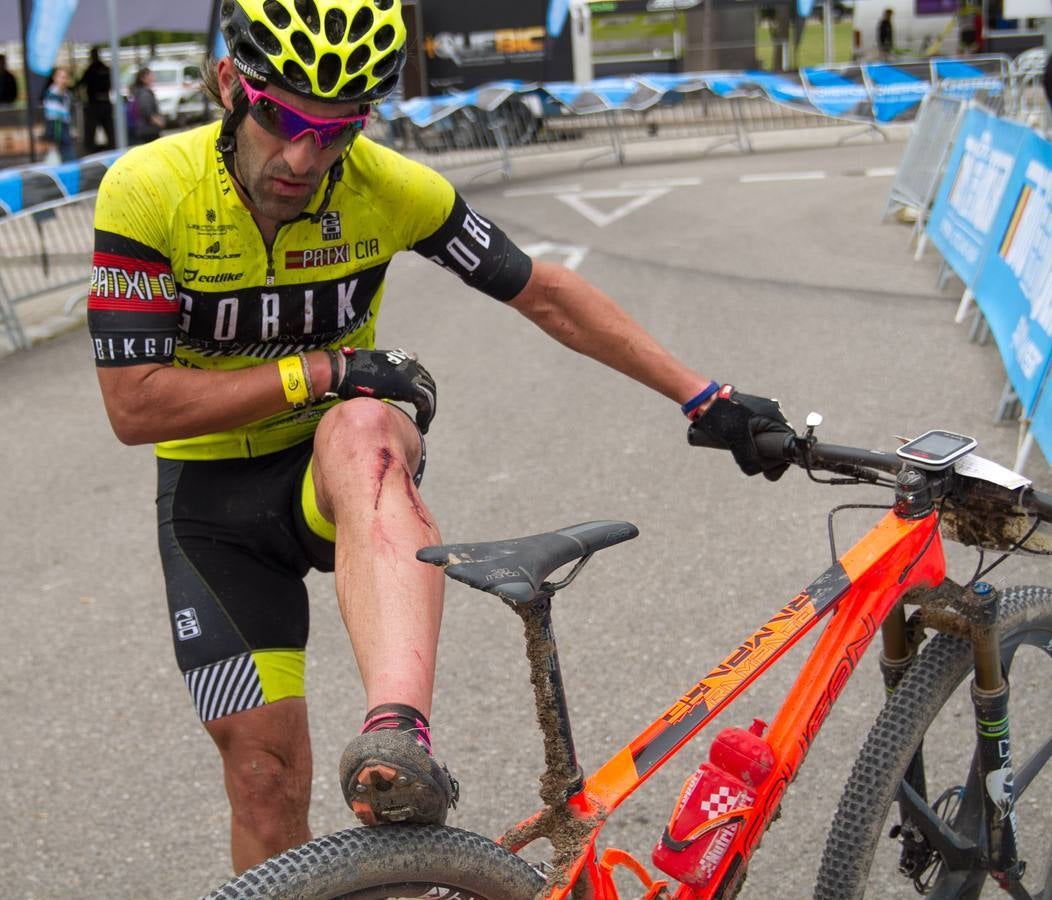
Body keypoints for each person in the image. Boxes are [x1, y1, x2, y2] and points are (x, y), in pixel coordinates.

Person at [85, 0, 791, 874]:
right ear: (233, 84)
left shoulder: (389, 187)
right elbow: (135, 407)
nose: (305, 158)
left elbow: (545, 294)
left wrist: (703, 397)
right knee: (265, 778)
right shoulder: (150, 188)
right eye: (282, 118)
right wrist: (327, 369)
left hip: (331, 470)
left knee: (367, 420)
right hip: (211, 506)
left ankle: (395, 740)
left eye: (336, 130)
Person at [75, 47, 114, 153]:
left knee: (91, 131)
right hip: (104, 102)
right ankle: (111, 148)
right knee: (109, 130)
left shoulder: (91, 69)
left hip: (95, 103)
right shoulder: (105, 69)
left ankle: (90, 151)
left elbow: (81, 83)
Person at [41, 66, 76, 162]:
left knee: (67, 154)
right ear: (55, 78)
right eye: (61, 77)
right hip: (55, 125)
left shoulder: (67, 94)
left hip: (64, 125)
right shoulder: (51, 93)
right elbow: (52, 116)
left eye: (65, 77)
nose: (63, 80)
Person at [130, 67, 164, 143]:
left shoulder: (140, 91)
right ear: (143, 78)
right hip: (149, 130)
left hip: (145, 129)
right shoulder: (144, 93)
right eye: (151, 75)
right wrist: (158, 121)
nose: (153, 77)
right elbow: (145, 110)